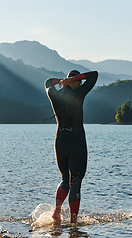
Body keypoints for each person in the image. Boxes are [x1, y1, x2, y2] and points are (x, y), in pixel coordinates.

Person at [44, 69, 98, 223]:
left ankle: (57, 212)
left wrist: (61, 80)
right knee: (75, 182)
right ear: (78, 82)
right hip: (77, 141)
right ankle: (73, 223)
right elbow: (94, 75)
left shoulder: (55, 95)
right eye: (78, 81)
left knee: (64, 180)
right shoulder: (79, 93)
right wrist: (74, 79)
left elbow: (47, 83)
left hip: (60, 141)